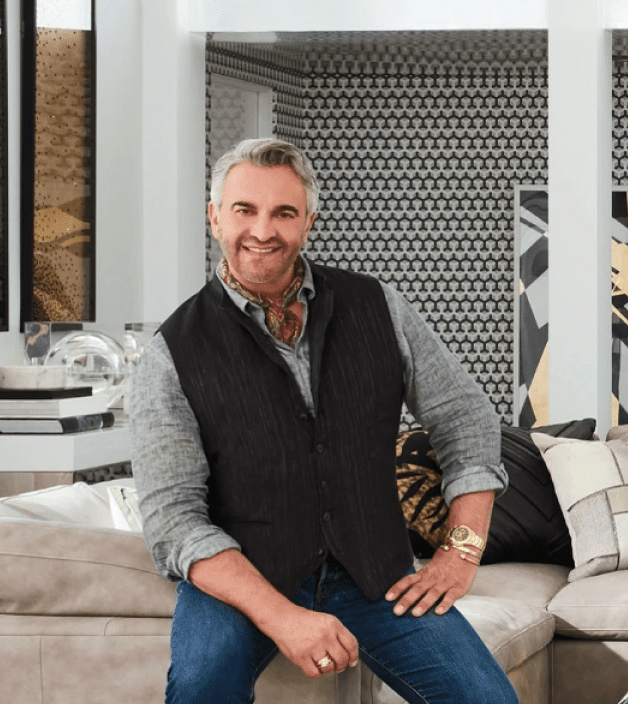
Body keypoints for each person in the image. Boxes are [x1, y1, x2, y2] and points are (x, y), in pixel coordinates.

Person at [129, 137, 517, 704]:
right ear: (214, 218)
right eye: (245, 210)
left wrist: (461, 551)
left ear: (308, 222)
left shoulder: (379, 306)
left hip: (376, 575)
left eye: (284, 213)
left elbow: (466, 417)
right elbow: (174, 521)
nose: (263, 230)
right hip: (242, 583)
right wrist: (283, 618)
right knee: (200, 687)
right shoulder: (171, 352)